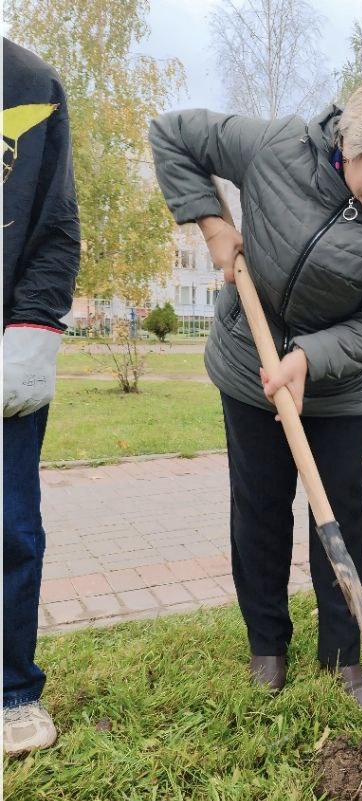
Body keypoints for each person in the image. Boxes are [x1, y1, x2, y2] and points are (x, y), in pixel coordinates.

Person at [149, 77, 362, 709]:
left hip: (340, 388)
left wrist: (307, 359)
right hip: (249, 366)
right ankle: (267, 643)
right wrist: (211, 223)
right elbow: (172, 134)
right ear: (349, 144)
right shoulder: (274, 148)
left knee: (342, 513)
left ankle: (346, 651)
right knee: (261, 506)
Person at [3, 38, 81, 756]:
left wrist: (31, 332)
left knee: (9, 529)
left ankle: (10, 690)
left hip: (5, 350)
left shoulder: (28, 83)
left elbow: (54, 227)